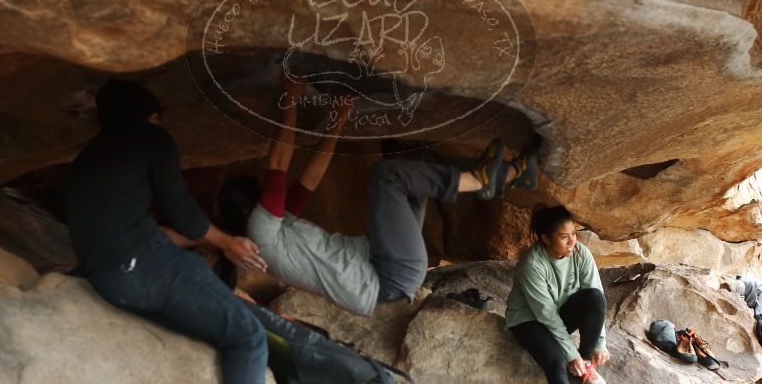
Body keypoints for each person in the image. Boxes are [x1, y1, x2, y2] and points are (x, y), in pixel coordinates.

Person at [218, 75, 539, 317]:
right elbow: (278, 163)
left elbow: (311, 178)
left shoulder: (276, 230)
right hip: (389, 275)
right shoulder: (261, 233)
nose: (269, 196)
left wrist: (338, 121)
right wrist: (289, 99)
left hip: (389, 264)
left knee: (413, 172)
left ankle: (511, 173)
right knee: (388, 176)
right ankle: (484, 181)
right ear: (249, 208)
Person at [64, 80, 269, 384]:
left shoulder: (88, 156)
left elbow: (143, 231)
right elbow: (180, 209)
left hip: (106, 277)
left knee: (212, 314)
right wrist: (226, 243)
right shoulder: (151, 138)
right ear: (150, 116)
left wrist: (210, 238)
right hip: (142, 269)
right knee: (247, 337)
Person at [505, 205, 609, 384]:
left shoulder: (580, 253)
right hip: (528, 321)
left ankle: (586, 360)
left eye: (574, 233)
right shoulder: (531, 265)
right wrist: (570, 354)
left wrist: (600, 342)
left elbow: (596, 295)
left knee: (594, 298)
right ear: (545, 238)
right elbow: (547, 316)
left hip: (559, 313)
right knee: (555, 363)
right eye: (564, 237)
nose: (573, 241)